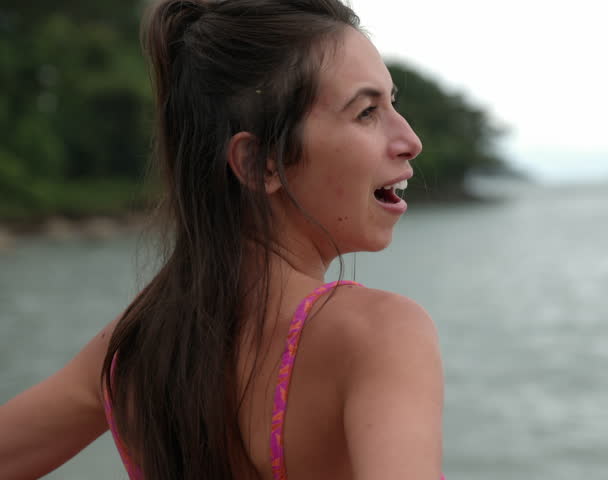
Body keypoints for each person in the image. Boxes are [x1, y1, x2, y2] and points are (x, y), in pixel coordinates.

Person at [0, 0, 445, 478]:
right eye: (366, 112)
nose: (410, 138)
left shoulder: (135, 348)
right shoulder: (381, 334)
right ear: (259, 163)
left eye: (392, 103)